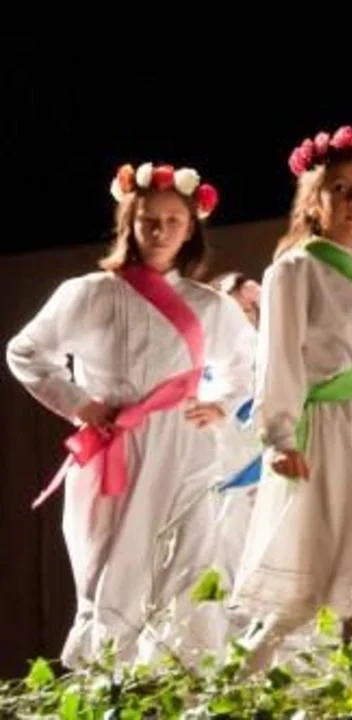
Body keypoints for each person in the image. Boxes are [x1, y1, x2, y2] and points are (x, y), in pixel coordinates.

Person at [7, 162, 254, 666]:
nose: (160, 231)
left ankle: (183, 681)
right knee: (112, 573)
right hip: (116, 449)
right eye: (148, 221)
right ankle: (113, 683)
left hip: (185, 449)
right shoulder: (89, 293)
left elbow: (248, 362)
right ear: (129, 224)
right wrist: (81, 403)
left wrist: (221, 403)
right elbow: (25, 351)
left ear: (190, 228)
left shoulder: (209, 306)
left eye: (173, 221)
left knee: (188, 567)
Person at [231, 126, 352, 666]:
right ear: (315, 200)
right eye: (340, 189)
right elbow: (279, 358)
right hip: (331, 433)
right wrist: (279, 436)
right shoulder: (294, 271)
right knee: (313, 572)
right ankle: (240, 682)